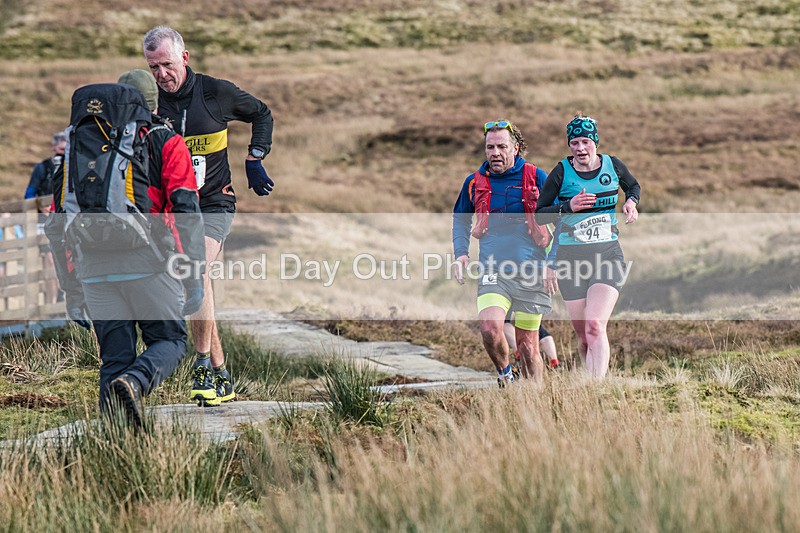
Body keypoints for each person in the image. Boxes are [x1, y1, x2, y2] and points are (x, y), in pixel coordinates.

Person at [47, 73, 205, 428]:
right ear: (154, 102)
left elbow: (57, 223)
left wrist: (71, 288)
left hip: (93, 270)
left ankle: (116, 445)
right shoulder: (166, 139)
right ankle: (134, 382)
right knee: (170, 341)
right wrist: (193, 275)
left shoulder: (79, 143)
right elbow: (186, 211)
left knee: (114, 359)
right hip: (149, 264)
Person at [142, 26, 275, 406]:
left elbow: (262, 114)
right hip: (174, 210)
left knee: (196, 268)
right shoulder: (150, 103)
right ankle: (221, 376)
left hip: (214, 202)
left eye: (167, 65)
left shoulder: (214, 92)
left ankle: (200, 365)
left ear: (184, 58)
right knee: (201, 285)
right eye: (153, 68)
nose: (161, 74)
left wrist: (255, 157)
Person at [452, 119, 559, 387]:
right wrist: (461, 253)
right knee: (489, 329)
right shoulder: (474, 182)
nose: (495, 153)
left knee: (528, 346)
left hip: (532, 272)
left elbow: (562, 222)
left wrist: (552, 263)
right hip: (493, 270)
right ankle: (506, 377)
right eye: (490, 147)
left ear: (516, 148)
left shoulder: (537, 177)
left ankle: (535, 398)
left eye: (501, 147)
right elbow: (460, 219)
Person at [535, 114, 640, 379]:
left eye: (585, 142)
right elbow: (540, 215)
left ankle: (596, 387)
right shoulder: (561, 172)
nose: (580, 148)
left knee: (595, 326)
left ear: (595, 142)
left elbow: (633, 186)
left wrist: (631, 202)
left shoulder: (613, 165)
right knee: (583, 338)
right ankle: (588, 381)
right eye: (575, 143)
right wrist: (567, 207)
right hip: (571, 260)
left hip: (608, 255)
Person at [25, 132, 67, 304]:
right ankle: (53, 302)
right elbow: (29, 194)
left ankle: (64, 297)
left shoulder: (73, 166)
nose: (63, 153)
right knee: (51, 260)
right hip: (44, 221)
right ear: (53, 147)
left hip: (65, 218)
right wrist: (41, 206)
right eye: (61, 149)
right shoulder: (42, 168)